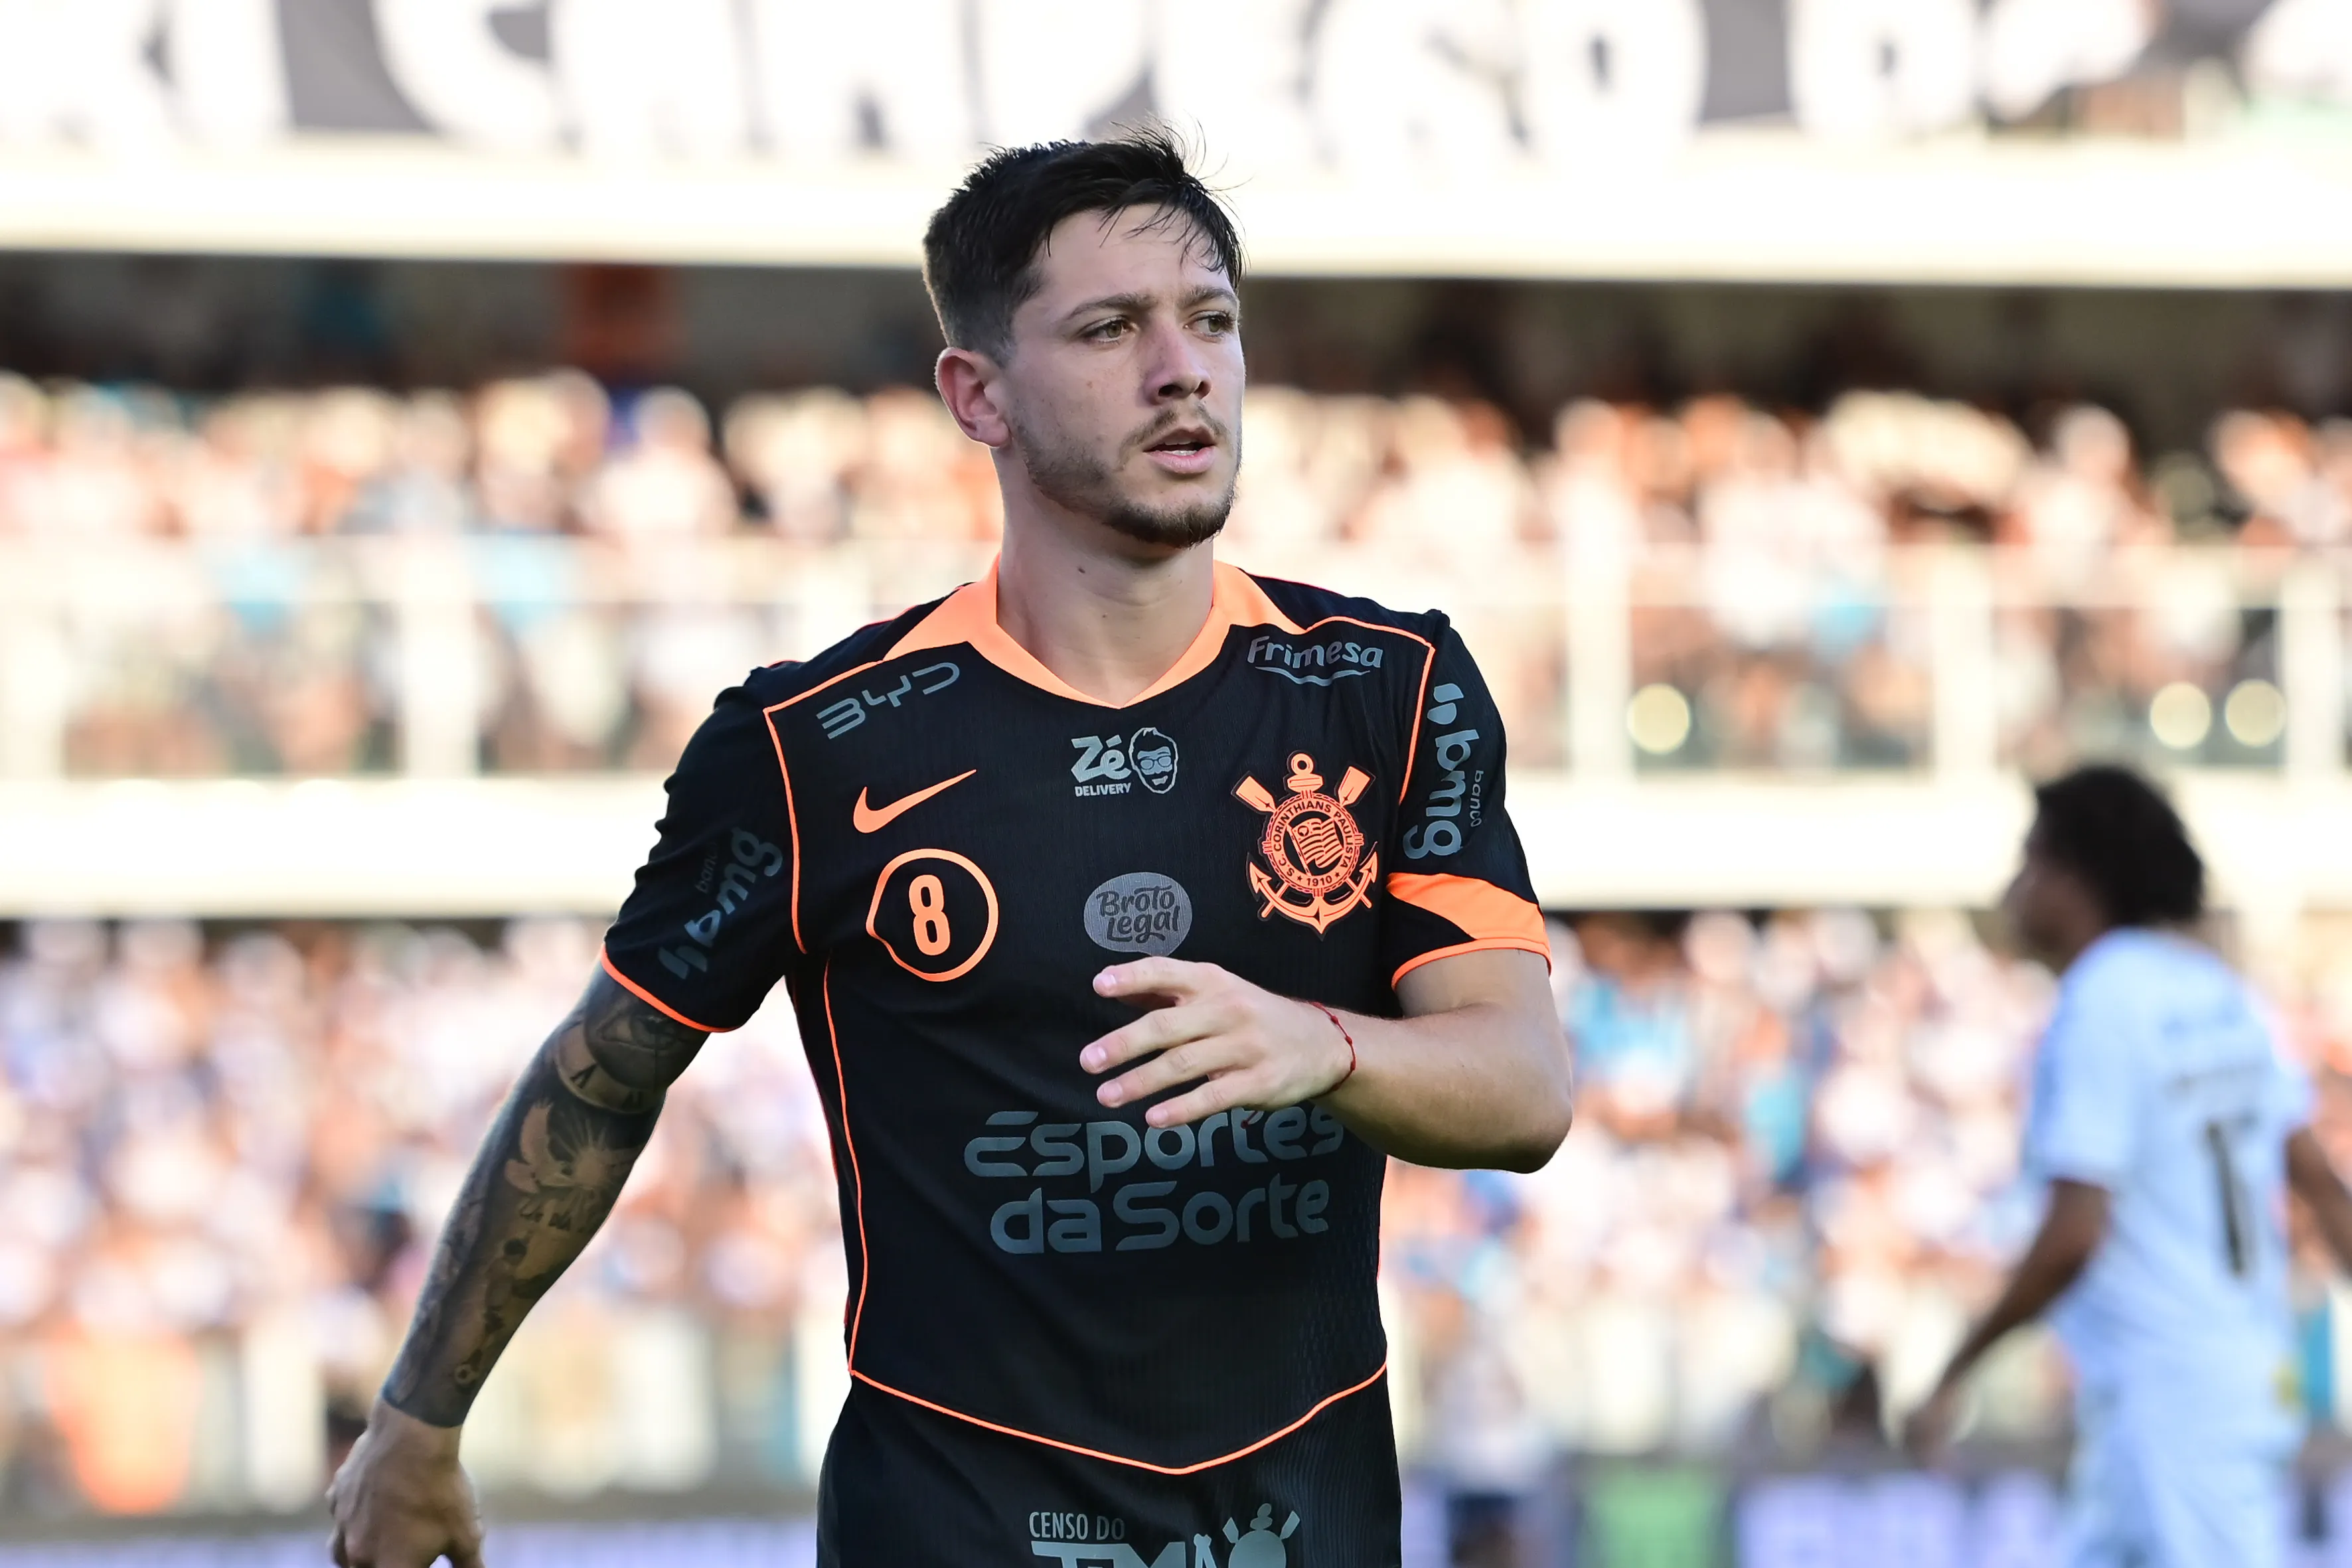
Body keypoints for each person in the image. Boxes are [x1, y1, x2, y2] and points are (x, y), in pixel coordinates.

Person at [326, 131, 1573, 1568]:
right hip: (952, 1525)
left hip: (1303, 1524)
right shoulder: (813, 745)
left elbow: (1521, 1085)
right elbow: (605, 1072)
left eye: (1211, 321)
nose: (1184, 369)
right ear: (975, 393)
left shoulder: (1388, 686)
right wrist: (419, 1417)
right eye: (1110, 329)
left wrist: (1322, 1047)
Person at [1904, 764, 2352, 1567]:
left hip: (2169, 1392)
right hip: (2228, 1373)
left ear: (2079, 878)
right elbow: (2320, 1183)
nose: (2015, 889)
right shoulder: (2217, 992)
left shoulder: (2100, 1003)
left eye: (2029, 862)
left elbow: (2077, 1231)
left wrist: (1958, 1365)